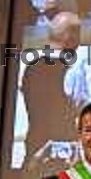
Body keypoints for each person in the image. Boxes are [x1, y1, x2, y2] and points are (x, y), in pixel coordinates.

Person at [21, 11, 81, 165]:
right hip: (64, 156)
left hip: (35, 147)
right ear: (71, 37)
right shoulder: (73, 72)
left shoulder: (30, 68)